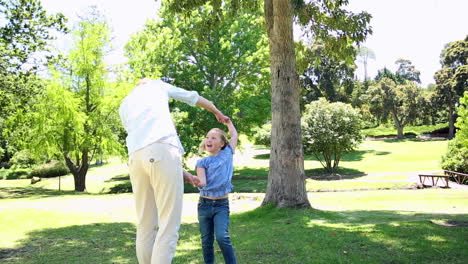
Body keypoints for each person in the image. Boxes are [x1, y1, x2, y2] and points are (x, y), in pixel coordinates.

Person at [118, 78, 229, 264]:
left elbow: (146, 145)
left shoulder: (125, 103)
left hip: (135, 158)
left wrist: (180, 171)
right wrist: (216, 111)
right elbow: (192, 97)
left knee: (145, 225)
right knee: (168, 225)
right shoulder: (157, 85)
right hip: (162, 149)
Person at [194, 119, 238, 264]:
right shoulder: (202, 163)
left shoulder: (227, 153)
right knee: (206, 241)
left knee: (222, 237)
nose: (209, 140)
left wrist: (229, 123)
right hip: (204, 205)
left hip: (221, 205)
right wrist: (193, 179)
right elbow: (203, 182)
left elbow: (234, 136)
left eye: (213, 138)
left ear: (222, 143)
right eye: (207, 137)